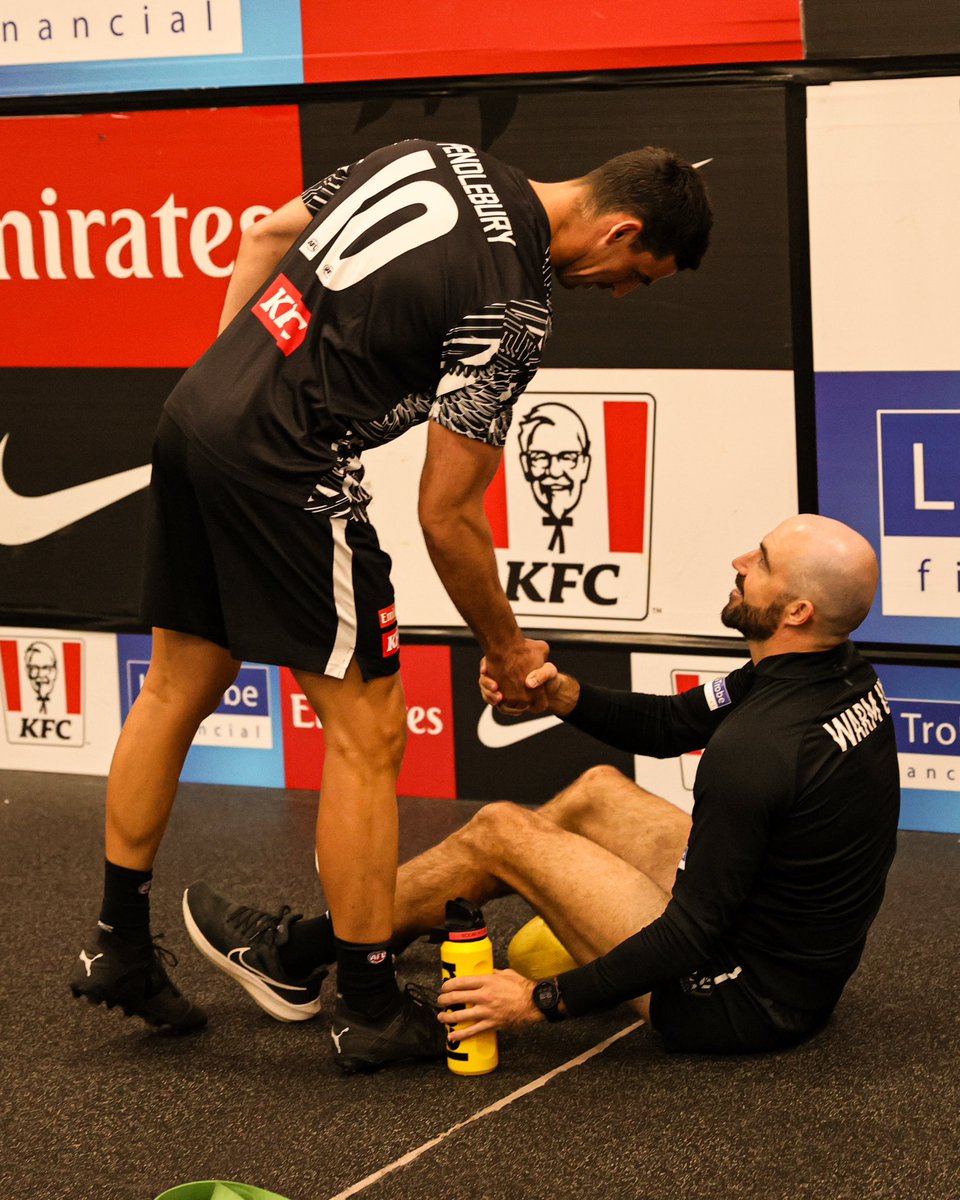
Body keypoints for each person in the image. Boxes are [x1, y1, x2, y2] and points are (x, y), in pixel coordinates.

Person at [69, 138, 713, 1070]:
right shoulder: (514, 312)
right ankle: (368, 1002)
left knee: (177, 683)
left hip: (196, 414)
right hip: (287, 466)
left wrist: (232, 384)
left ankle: (117, 939)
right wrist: (508, 646)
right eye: (635, 275)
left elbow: (265, 233)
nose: (618, 292)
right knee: (369, 734)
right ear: (621, 228)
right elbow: (447, 516)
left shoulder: (437, 154)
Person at [185, 514, 899, 1060]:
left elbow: (692, 933)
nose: (740, 562)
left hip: (733, 1000)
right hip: (791, 964)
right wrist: (559, 694)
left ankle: (299, 953)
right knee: (596, 790)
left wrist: (540, 999)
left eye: (762, 563)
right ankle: (389, 923)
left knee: (500, 828)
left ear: (797, 611)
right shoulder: (831, 672)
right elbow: (674, 721)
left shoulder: (758, 751)